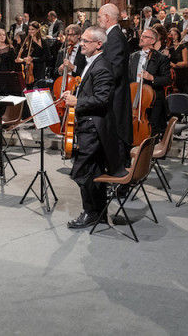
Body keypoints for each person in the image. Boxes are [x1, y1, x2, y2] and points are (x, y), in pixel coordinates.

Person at [61, 27, 114, 229]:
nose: (81, 43)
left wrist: (77, 101)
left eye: (86, 41)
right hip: (89, 126)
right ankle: (99, 213)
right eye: (81, 40)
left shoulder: (102, 66)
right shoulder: (91, 62)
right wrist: (74, 93)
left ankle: (90, 212)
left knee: (81, 171)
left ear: (98, 44)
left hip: (93, 128)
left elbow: (102, 99)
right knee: (94, 171)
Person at [98, 3, 132, 173]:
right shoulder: (113, 36)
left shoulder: (115, 37)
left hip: (116, 97)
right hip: (115, 95)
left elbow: (115, 70)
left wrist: (98, 84)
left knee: (118, 137)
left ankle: (121, 181)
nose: (98, 20)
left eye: (99, 17)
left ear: (107, 17)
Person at [129, 28, 171, 137]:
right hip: (135, 98)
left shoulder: (161, 58)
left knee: (152, 128)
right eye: (141, 36)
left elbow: (167, 79)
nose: (141, 38)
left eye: (145, 37)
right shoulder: (133, 56)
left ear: (152, 41)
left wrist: (152, 77)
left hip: (153, 100)